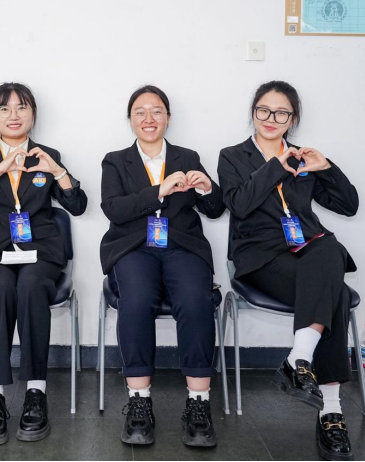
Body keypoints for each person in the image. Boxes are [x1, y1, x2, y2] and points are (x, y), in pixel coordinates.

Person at [217, 80, 359, 461]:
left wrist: (326, 167)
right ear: (254, 112)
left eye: (281, 113)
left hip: (308, 251)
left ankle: (300, 358)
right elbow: (239, 205)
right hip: (260, 257)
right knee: (337, 291)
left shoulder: (303, 158)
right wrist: (275, 168)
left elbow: (349, 206)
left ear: (292, 119)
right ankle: (331, 411)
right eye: (264, 110)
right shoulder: (232, 157)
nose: (271, 119)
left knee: (329, 248)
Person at [0, 82, 88, 445]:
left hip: (40, 251)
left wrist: (57, 171)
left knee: (31, 286)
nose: (13, 115)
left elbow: (78, 205)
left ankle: (35, 392)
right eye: (4, 108)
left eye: (21, 108)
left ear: (33, 114)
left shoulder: (48, 155)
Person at [100, 85, 225, 447]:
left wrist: (207, 188)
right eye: (140, 112)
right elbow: (114, 209)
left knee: (196, 300)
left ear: (168, 118)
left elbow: (215, 209)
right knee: (137, 300)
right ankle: (139, 402)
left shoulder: (188, 156)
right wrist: (158, 191)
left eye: (157, 111)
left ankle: (198, 403)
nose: (149, 118)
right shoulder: (115, 160)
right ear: (130, 119)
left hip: (182, 246)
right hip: (133, 247)